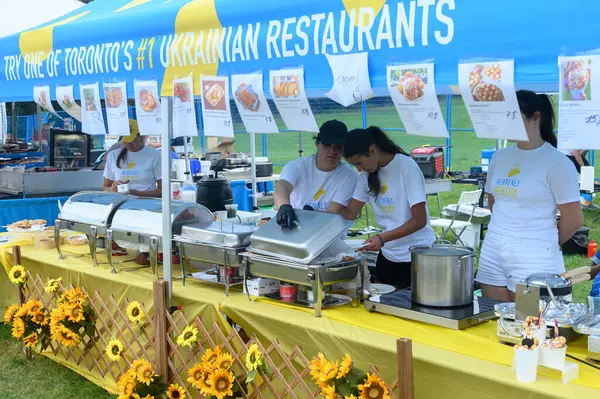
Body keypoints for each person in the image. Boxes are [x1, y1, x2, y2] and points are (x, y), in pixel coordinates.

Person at [477, 90, 583, 301]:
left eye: (512, 118)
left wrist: (541, 240)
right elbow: (493, 200)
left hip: (535, 252)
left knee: (530, 323)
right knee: (493, 318)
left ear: (535, 117)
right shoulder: (500, 157)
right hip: (494, 247)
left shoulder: (557, 163)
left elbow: (574, 219)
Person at [339, 126, 435, 289]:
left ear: (372, 150)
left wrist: (383, 238)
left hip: (416, 257)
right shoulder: (365, 177)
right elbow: (350, 213)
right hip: (387, 256)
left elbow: (419, 220)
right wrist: (316, 218)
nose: (359, 169)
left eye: (359, 163)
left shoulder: (406, 167)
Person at [275, 120, 358, 227]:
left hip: (328, 232)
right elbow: (282, 186)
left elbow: (332, 213)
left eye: (338, 146)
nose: (332, 150)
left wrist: (308, 217)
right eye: (327, 145)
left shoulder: (349, 175)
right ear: (317, 144)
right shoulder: (297, 166)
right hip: (294, 229)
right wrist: (284, 206)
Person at [102, 119, 162, 197]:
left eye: (133, 140)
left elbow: (162, 190)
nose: (129, 144)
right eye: (126, 140)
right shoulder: (113, 155)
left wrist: (137, 194)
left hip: (146, 203)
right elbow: (105, 187)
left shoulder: (155, 155)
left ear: (141, 137)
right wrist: (112, 189)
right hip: (121, 203)